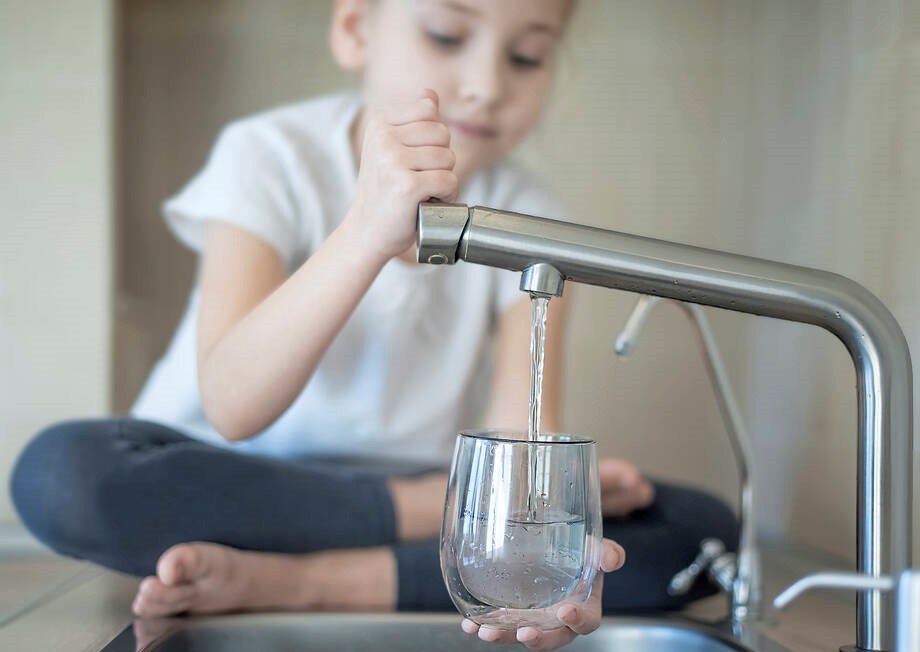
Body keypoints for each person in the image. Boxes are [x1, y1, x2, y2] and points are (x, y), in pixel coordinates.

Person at [11, 0, 737, 649]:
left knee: (701, 531)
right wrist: (365, 231)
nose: (487, 83)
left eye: (527, 55)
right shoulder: (269, 156)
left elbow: (523, 446)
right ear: (356, 28)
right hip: (234, 483)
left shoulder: (530, 214)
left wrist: (536, 547)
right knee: (63, 473)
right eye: (448, 35)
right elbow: (233, 408)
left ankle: (288, 581)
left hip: (412, 493)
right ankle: (403, 534)